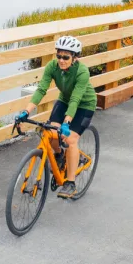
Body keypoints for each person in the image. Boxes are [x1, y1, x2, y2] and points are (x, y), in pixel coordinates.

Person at [23, 35, 95, 198]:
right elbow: (41, 89)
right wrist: (26, 111)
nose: (61, 60)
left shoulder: (82, 72)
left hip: (84, 104)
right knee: (51, 132)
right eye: (59, 56)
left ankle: (70, 183)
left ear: (75, 57)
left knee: (70, 140)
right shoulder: (52, 66)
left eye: (66, 57)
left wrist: (67, 122)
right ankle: (59, 155)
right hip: (64, 100)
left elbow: (76, 99)